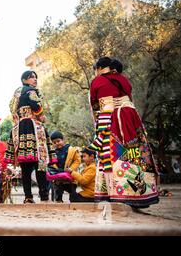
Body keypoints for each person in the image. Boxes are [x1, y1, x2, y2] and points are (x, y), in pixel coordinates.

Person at [88, 57, 159, 208]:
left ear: (100, 68)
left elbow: (97, 105)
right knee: (135, 152)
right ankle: (140, 194)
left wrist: (100, 127)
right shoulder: (123, 79)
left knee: (110, 153)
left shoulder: (98, 81)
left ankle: (116, 194)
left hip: (111, 119)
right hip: (131, 118)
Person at [5, 70, 57, 203]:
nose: (35, 80)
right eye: (31, 77)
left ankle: (28, 197)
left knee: (25, 167)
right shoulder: (31, 91)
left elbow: (12, 111)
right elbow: (37, 107)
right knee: (40, 163)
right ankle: (44, 196)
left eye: (35, 77)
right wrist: (41, 116)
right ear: (24, 80)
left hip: (19, 129)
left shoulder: (16, 94)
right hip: (33, 127)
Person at [49, 131, 81, 203]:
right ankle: (58, 201)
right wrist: (55, 170)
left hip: (70, 175)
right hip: (59, 175)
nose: (57, 143)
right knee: (58, 189)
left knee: (72, 191)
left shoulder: (71, 150)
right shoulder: (53, 152)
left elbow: (77, 160)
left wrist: (71, 169)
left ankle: (73, 201)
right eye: (54, 142)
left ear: (63, 140)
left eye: (58, 141)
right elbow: (52, 163)